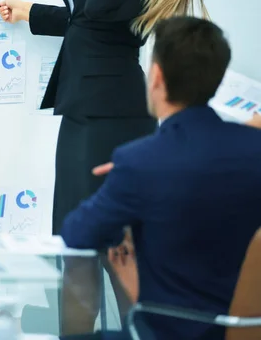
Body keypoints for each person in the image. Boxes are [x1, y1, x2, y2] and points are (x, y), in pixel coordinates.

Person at [0, 0, 205, 333]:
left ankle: (141, 332)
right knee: (77, 237)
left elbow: (102, 6)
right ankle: (88, 333)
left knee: (103, 240)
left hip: (110, 113)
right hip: (88, 108)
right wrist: (29, 13)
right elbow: (88, 19)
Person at [61, 17, 261, 340]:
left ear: (156, 77)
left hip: (166, 331)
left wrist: (126, 182)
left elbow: (77, 233)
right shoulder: (255, 149)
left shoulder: (138, 161)